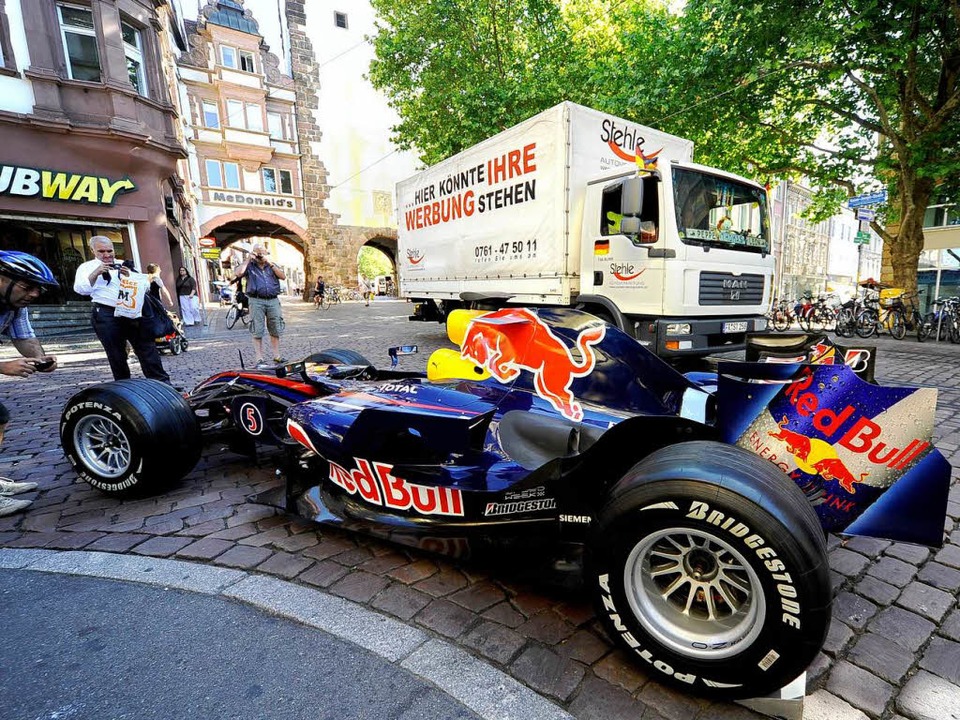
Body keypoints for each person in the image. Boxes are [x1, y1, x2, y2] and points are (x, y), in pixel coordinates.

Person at [0, 250, 60, 516]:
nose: (34, 294)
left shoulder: (14, 306)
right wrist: (2, 367)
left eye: (38, 289)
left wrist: (39, 359)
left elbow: (24, 337)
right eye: (27, 287)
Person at [73, 236, 170, 383]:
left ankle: (163, 385)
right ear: (92, 251)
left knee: (147, 348)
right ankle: (124, 387)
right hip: (107, 314)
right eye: (101, 251)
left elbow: (145, 287)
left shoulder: (125, 264)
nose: (106, 255)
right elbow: (81, 290)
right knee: (116, 353)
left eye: (109, 250)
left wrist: (130, 277)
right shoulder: (86, 267)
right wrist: (96, 273)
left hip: (132, 311)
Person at [235, 243, 286, 368]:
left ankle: (277, 356)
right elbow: (238, 273)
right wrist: (248, 259)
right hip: (256, 300)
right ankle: (259, 357)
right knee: (257, 329)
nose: (260, 255)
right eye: (258, 252)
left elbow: (283, 276)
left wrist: (270, 263)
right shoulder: (250, 266)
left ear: (267, 254)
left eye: (262, 252)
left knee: (275, 327)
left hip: (273, 300)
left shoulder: (272, 265)